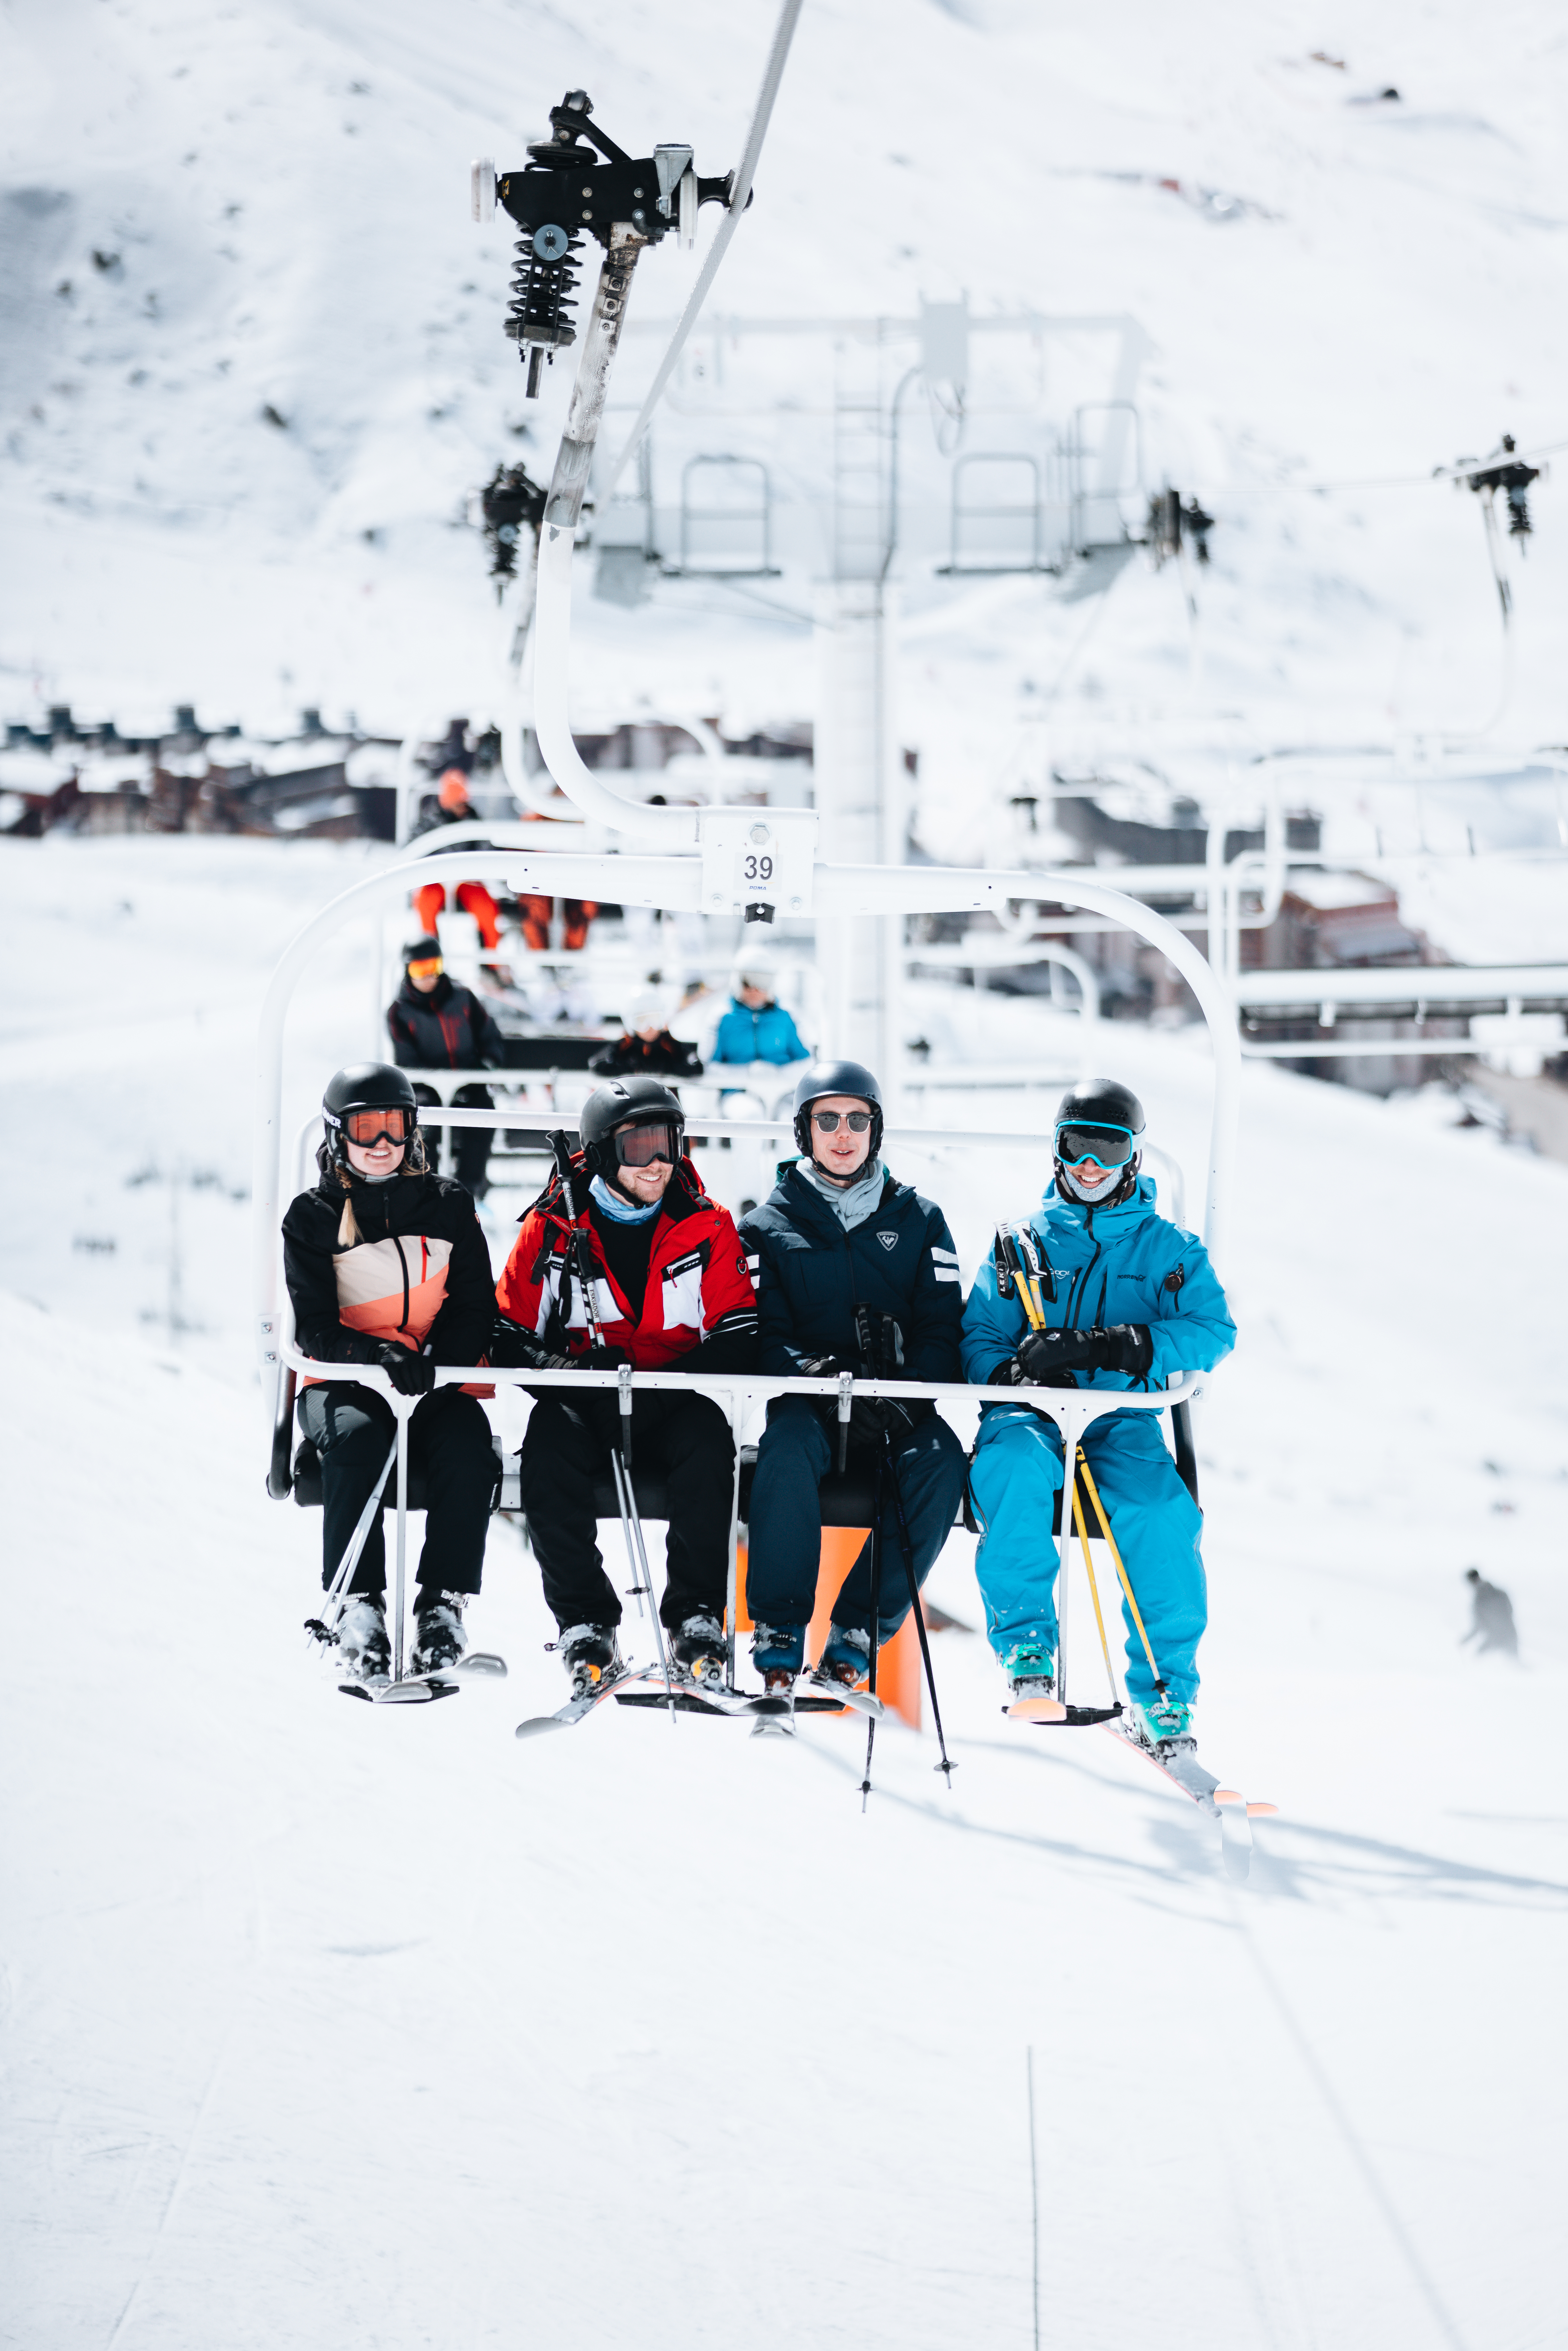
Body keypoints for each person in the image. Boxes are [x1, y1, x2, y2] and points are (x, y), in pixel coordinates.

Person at [960, 1079, 1235, 1759]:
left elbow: (1211, 1329)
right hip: (1030, 1415)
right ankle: (1028, 1645)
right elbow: (976, 1338)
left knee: (1158, 1513)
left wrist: (1124, 1345)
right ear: (1056, 1153)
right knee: (1013, 1466)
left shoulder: (1167, 1250)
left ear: (1133, 1159)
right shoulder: (1020, 1244)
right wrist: (1015, 1374)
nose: (1090, 1166)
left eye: (1107, 1150)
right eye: (1076, 1147)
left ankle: (1164, 1692)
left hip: (1119, 1415)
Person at [492, 1077, 758, 1694]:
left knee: (708, 1442)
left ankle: (695, 1617)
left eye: (667, 1143)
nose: (658, 1163)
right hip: (585, 1399)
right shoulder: (554, 1227)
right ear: (605, 1152)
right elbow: (506, 1333)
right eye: (640, 1147)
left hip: (670, 1397)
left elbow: (740, 1331)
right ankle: (585, 1621)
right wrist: (568, 1378)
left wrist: (671, 1381)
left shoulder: (705, 1224)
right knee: (548, 1448)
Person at [738, 1060, 968, 1694]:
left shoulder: (920, 1220)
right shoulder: (766, 1227)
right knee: (782, 1452)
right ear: (802, 1131)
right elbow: (757, 1335)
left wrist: (904, 1394)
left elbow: (943, 1326)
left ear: (876, 1130)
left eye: (857, 1120)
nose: (843, 1134)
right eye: (827, 1120)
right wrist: (815, 1374)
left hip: (895, 1406)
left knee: (942, 1463)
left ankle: (860, 1627)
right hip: (810, 1407)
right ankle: (780, 1627)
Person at [283, 1063, 498, 1679]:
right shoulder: (314, 1217)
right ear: (336, 1137)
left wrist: (438, 1362)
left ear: (413, 1132)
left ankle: (442, 1603)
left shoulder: (449, 1205)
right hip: (344, 1379)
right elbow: (315, 1325)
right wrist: (379, 1357)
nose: (381, 1145)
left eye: (394, 1128)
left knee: (467, 1447)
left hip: (429, 1376)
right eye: (365, 1130)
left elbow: (474, 1303)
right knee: (357, 1440)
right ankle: (360, 1605)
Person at [385, 936, 505, 1198]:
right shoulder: (399, 1012)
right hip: (426, 1087)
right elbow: (406, 1058)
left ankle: (468, 1190)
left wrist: (487, 1063)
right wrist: (434, 1081)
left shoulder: (463, 998)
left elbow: (489, 1035)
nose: (428, 977)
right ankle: (430, 1190)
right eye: (420, 969)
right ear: (408, 970)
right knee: (423, 1122)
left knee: (483, 1113)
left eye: (434, 967)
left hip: (468, 1079)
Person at [411, 768, 504, 951]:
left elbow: (487, 848)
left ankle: (490, 961)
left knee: (487, 909)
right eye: (457, 803)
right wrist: (436, 869)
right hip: (435, 882)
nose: (462, 807)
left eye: (463, 802)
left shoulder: (473, 821)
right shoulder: (428, 823)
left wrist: (472, 869)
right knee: (425, 906)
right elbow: (414, 850)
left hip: (467, 881)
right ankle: (432, 953)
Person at [710, 959, 810, 1068]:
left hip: (780, 1084)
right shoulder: (722, 1017)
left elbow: (805, 1061)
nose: (755, 991)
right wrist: (745, 1075)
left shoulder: (787, 1016)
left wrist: (776, 1075)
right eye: (747, 984)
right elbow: (709, 1065)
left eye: (762, 984)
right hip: (735, 1085)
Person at [587, 989, 704, 1079]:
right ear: (630, 1023)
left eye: (655, 1019)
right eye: (641, 1021)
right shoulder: (625, 1045)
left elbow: (696, 1067)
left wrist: (666, 1068)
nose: (650, 1027)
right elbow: (597, 1065)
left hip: (666, 1105)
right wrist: (632, 1068)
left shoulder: (670, 1045)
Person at [1462, 1566, 1519, 1657]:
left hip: (1496, 1637)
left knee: (1479, 1660)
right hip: (1510, 1633)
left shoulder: (1478, 1602)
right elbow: (1510, 1612)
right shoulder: (1500, 1593)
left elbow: (1478, 1626)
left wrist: (1465, 1641)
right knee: (1515, 1664)